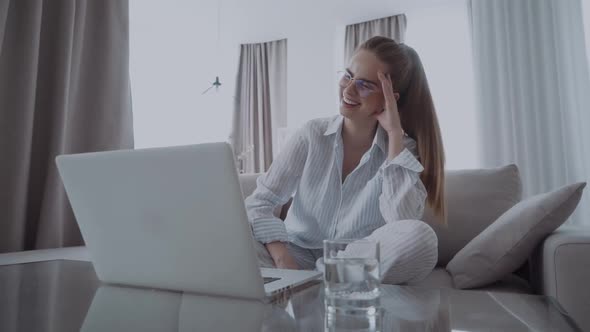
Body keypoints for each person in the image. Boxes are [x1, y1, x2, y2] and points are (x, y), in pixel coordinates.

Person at [245, 36, 445, 284]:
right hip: (295, 255)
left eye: (364, 85)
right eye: (348, 76)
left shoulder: (402, 151)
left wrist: (394, 134)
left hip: (353, 264)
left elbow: (400, 222)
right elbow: (260, 202)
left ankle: (320, 281)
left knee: (422, 239)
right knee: (231, 239)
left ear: (389, 99)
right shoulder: (312, 134)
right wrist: (283, 260)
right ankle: (315, 283)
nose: (348, 90)